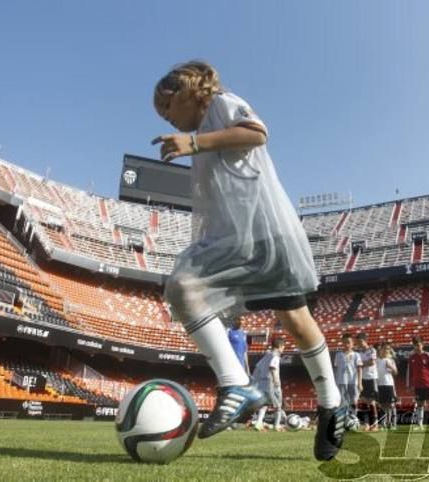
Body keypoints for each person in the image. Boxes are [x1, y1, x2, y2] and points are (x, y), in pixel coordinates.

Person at [152, 61, 345, 460]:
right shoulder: (202, 136)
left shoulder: (220, 105)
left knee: (295, 320)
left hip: (267, 232)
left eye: (165, 107)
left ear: (186, 93)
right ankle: (236, 383)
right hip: (233, 240)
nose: (166, 117)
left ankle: (331, 405)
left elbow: (258, 133)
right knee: (182, 288)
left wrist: (195, 144)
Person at [407, 336, 429, 430]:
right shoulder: (411, 357)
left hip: (428, 383)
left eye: (418, 344)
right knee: (420, 404)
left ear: (422, 344)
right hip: (417, 384)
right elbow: (409, 372)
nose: (417, 347)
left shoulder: (428, 355)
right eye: (415, 345)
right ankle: (420, 425)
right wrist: (409, 385)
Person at [253, 338, 285, 431]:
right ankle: (277, 426)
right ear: (279, 347)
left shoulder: (267, 355)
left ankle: (258, 423)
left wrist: (256, 380)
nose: (283, 349)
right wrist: (276, 381)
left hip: (263, 382)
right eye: (283, 347)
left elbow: (257, 367)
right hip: (272, 383)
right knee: (278, 404)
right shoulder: (276, 356)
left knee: (265, 403)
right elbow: (273, 367)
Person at [334, 333, 363, 419]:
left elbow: (359, 369)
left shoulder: (356, 355)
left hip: (353, 382)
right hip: (341, 382)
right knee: (342, 401)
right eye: (344, 342)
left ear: (352, 343)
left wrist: (360, 383)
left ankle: (353, 418)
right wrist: (335, 382)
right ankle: (342, 419)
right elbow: (336, 369)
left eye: (348, 342)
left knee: (353, 401)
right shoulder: (338, 355)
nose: (346, 345)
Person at [356, 332, 379, 431]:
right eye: (358, 342)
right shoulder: (358, 353)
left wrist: (361, 363)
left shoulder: (372, 350)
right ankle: (366, 424)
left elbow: (372, 362)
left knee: (371, 401)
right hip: (362, 378)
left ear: (366, 340)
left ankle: (375, 424)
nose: (359, 344)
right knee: (364, 401)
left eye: (360, 341)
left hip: (371, 377)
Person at [376, 343, 398, 430]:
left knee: (390, 404)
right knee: (382, 405)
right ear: (381, 349)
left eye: (388, 349)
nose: (386, 350)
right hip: (379, 385)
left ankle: (391, 423)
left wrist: (391, 367)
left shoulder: (390, 360)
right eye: (384, 349)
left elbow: (396, 372)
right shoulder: (377, 360)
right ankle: (383, 423)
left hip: (388, 384)